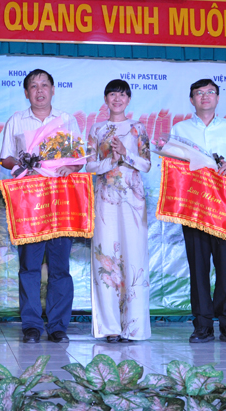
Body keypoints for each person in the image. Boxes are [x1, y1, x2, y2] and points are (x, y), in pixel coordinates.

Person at [0, 69, 81, 344]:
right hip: (29, 202)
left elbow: (78, 158)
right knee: (30, 266)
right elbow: (5, 158)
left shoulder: (66, 120)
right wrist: (25, 164)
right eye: (33, 86)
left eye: (44, 85)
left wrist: (72, 166)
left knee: (60, 267)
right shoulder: (16, 120)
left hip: (60, 201)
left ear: (53, 89)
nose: (39, 90)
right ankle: (32, 325)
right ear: (26, 93)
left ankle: (58, 326)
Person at [171, 78, 226, 344]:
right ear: (191, 99)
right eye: (199, 93)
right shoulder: (180, 129)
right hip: (194, 207)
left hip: (224, 207)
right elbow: (173, 165)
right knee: (198, 268)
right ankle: (202, 325)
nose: (205, 96)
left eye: (210, 92)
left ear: (217, 98)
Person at [85, 79, 151, 343]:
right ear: (105, 99)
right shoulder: (97, 129)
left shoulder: (138, 128)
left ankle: (134, 328)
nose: (117, 99)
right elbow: (89, 166)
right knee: (106, 258)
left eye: (122, 95)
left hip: (133, 202)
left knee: (134, 258)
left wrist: (125, 155)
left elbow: (146, 165)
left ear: (129, 99)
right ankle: (110, 327)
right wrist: (110, 161)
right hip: (105, 202)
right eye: (112, 94)